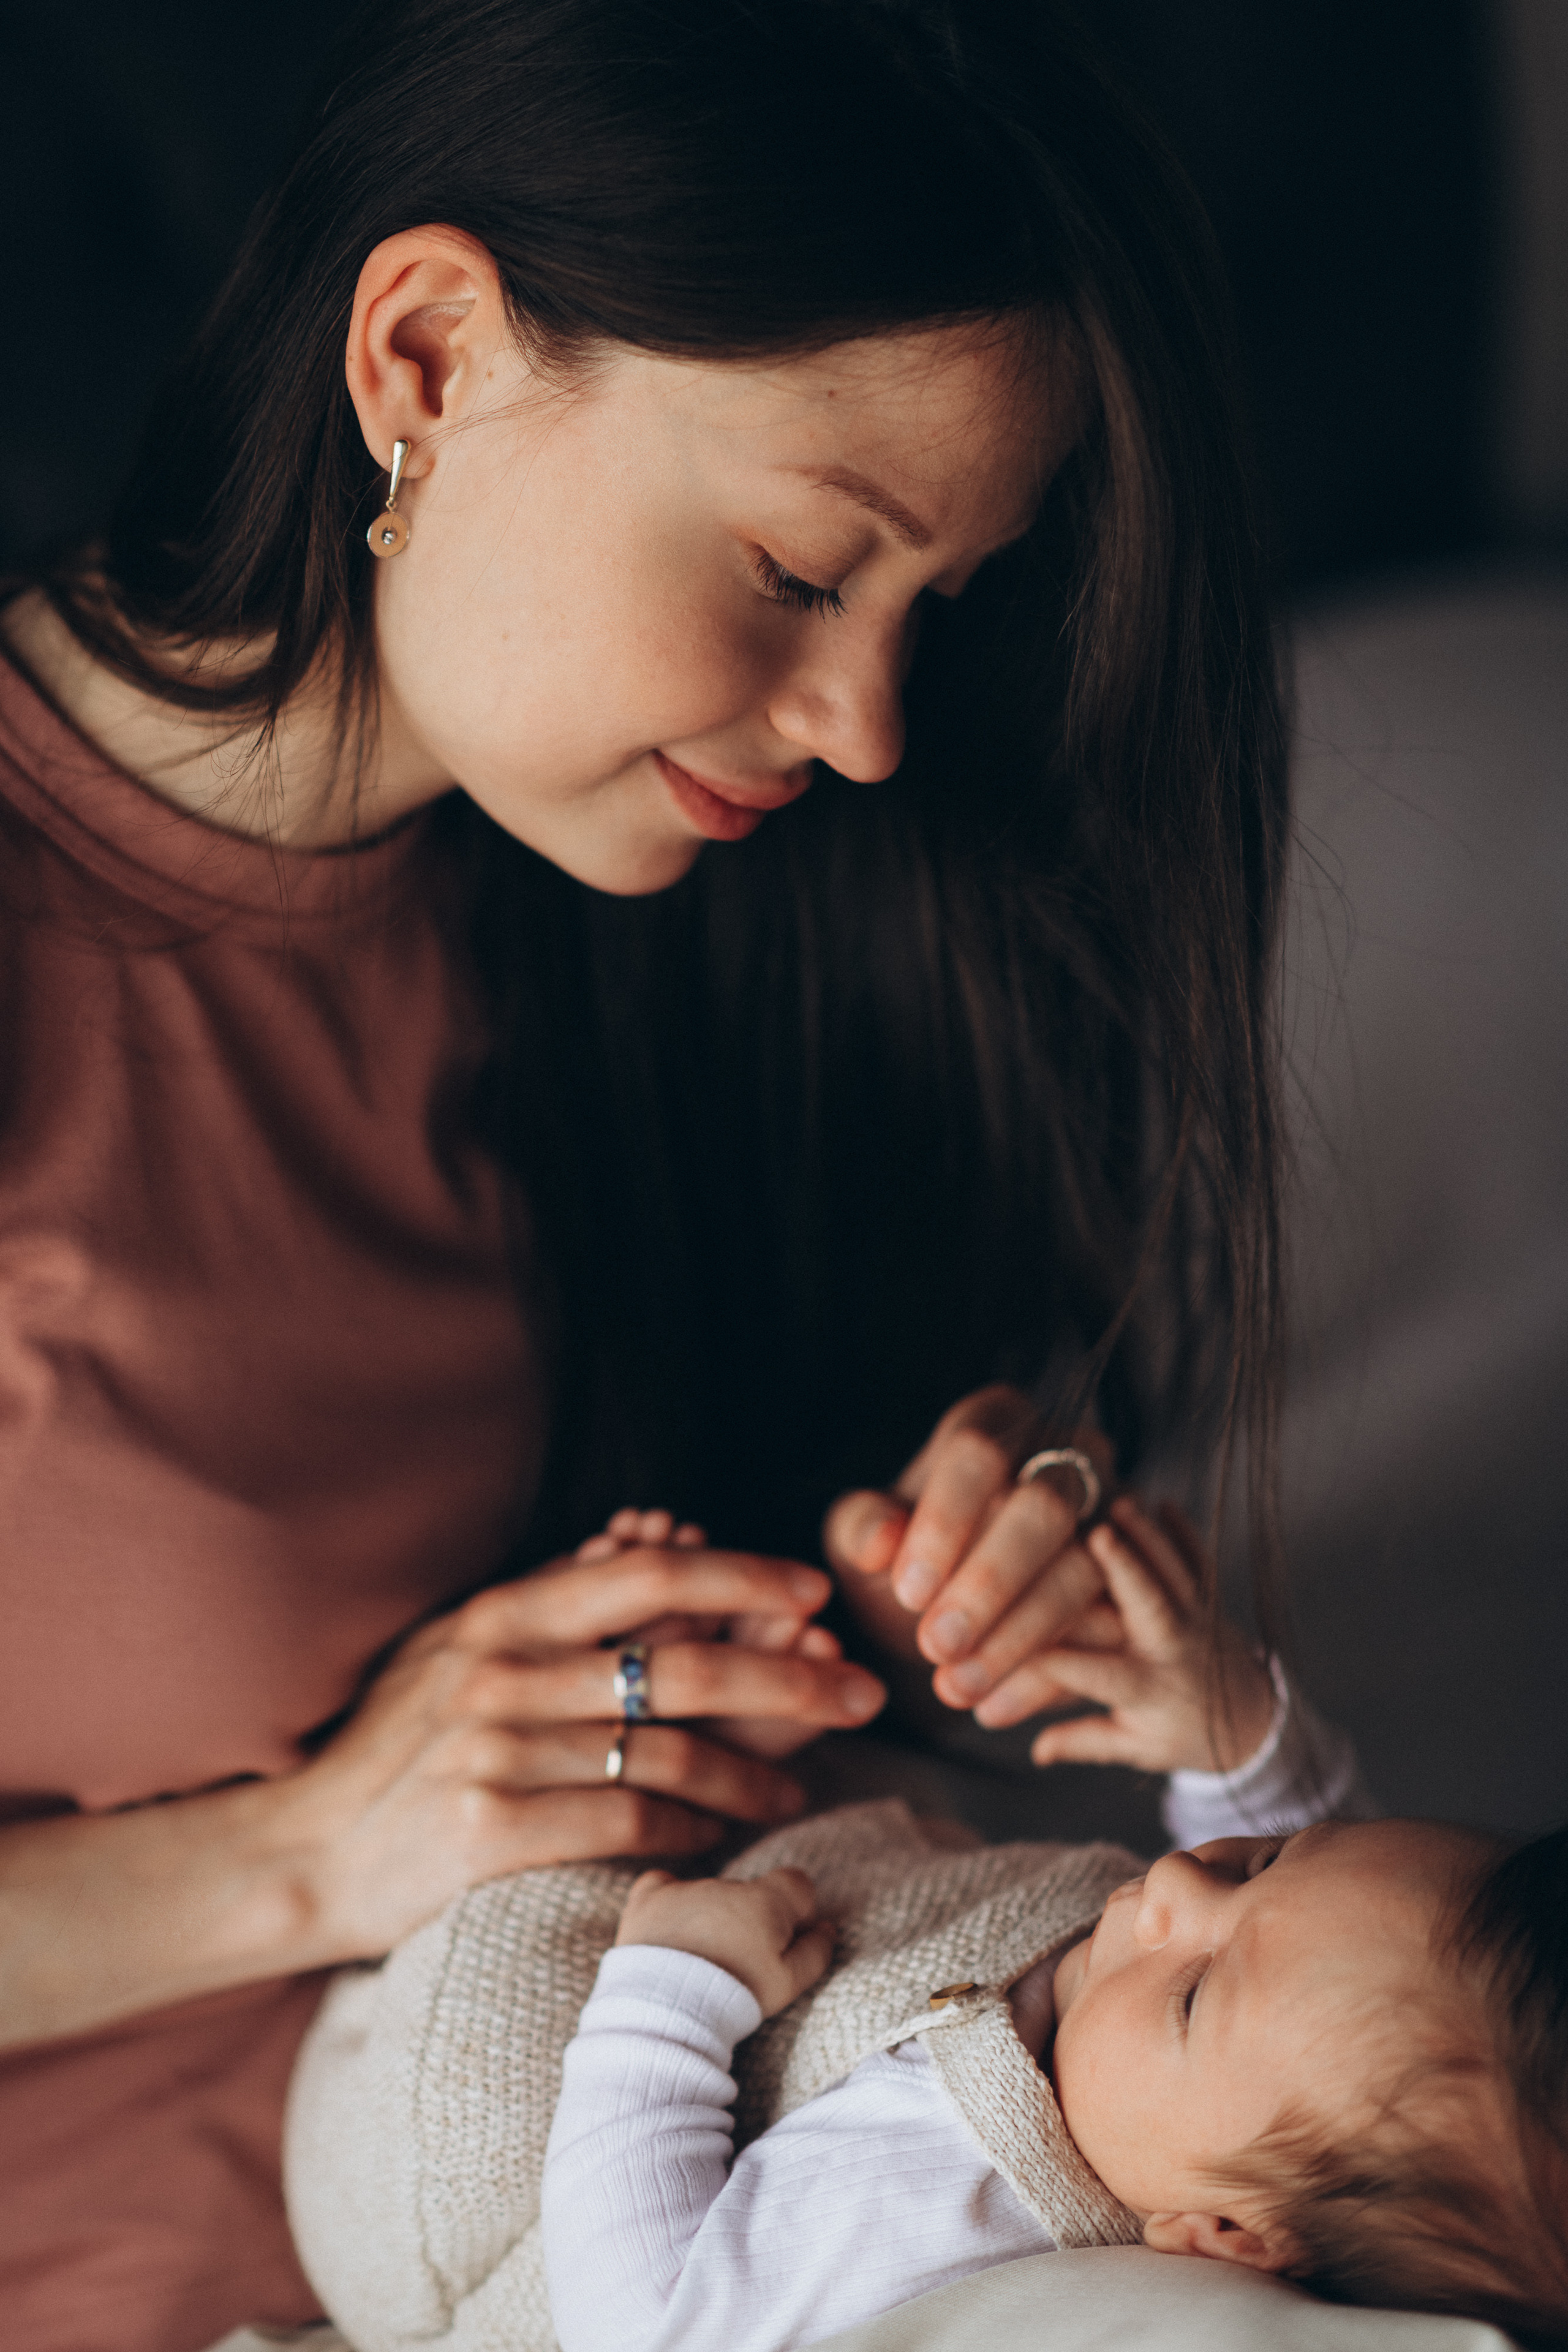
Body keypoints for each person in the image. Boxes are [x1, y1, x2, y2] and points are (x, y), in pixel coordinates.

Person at [0, 4, 1291, 2348]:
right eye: (804, 569)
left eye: (942, 605)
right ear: (427, 354)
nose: (871, 728)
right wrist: (310, 1854)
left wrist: (910, 1594)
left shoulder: (638, 930)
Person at [534, 1511, 1568, 2352]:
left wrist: (668, 2000)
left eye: (1195, 1992)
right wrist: (1235, 1741)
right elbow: (1331, 1920)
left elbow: (646, 2325)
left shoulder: (944, 2219)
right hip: (817, 1851)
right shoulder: (1236, 2063)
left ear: (1223, 2237)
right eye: (1266, 1860)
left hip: (595, 2073)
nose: (1172, 1884)